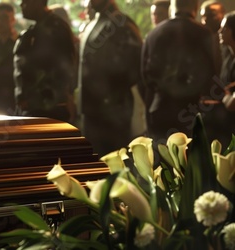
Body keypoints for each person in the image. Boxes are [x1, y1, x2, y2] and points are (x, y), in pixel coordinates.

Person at [141, 0, 216, 145]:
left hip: (160, 108)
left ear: (172, 8)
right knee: (192, 160)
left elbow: (145, 76)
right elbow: (211, 74)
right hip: (194, 109)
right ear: (195, 7)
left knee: (163, 160)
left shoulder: (153, 34)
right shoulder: (204, 33)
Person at [78, 0, 142, 156]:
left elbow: (135, 67)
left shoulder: (121, 23)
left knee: (115, 168)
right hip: (93, 113)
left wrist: (111, 94)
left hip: (113, 115)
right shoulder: (95, 23)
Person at [13, 0, 77, 123]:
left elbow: (64, 68)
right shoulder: (35, 29)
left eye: (25, 2)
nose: (21, 6)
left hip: (49, 108)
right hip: (35, 107)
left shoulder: (56, 28)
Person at [203, 11, 235, 147]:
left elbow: (232, 103)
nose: (220, 31)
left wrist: (224, 98)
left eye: (225, 28)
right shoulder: (228, 57)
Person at [201, 0, 226, 75]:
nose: (205, 20)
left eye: (211, 15)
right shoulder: (201, 39)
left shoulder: (230, 38)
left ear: (223, 14)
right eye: (203, 16)